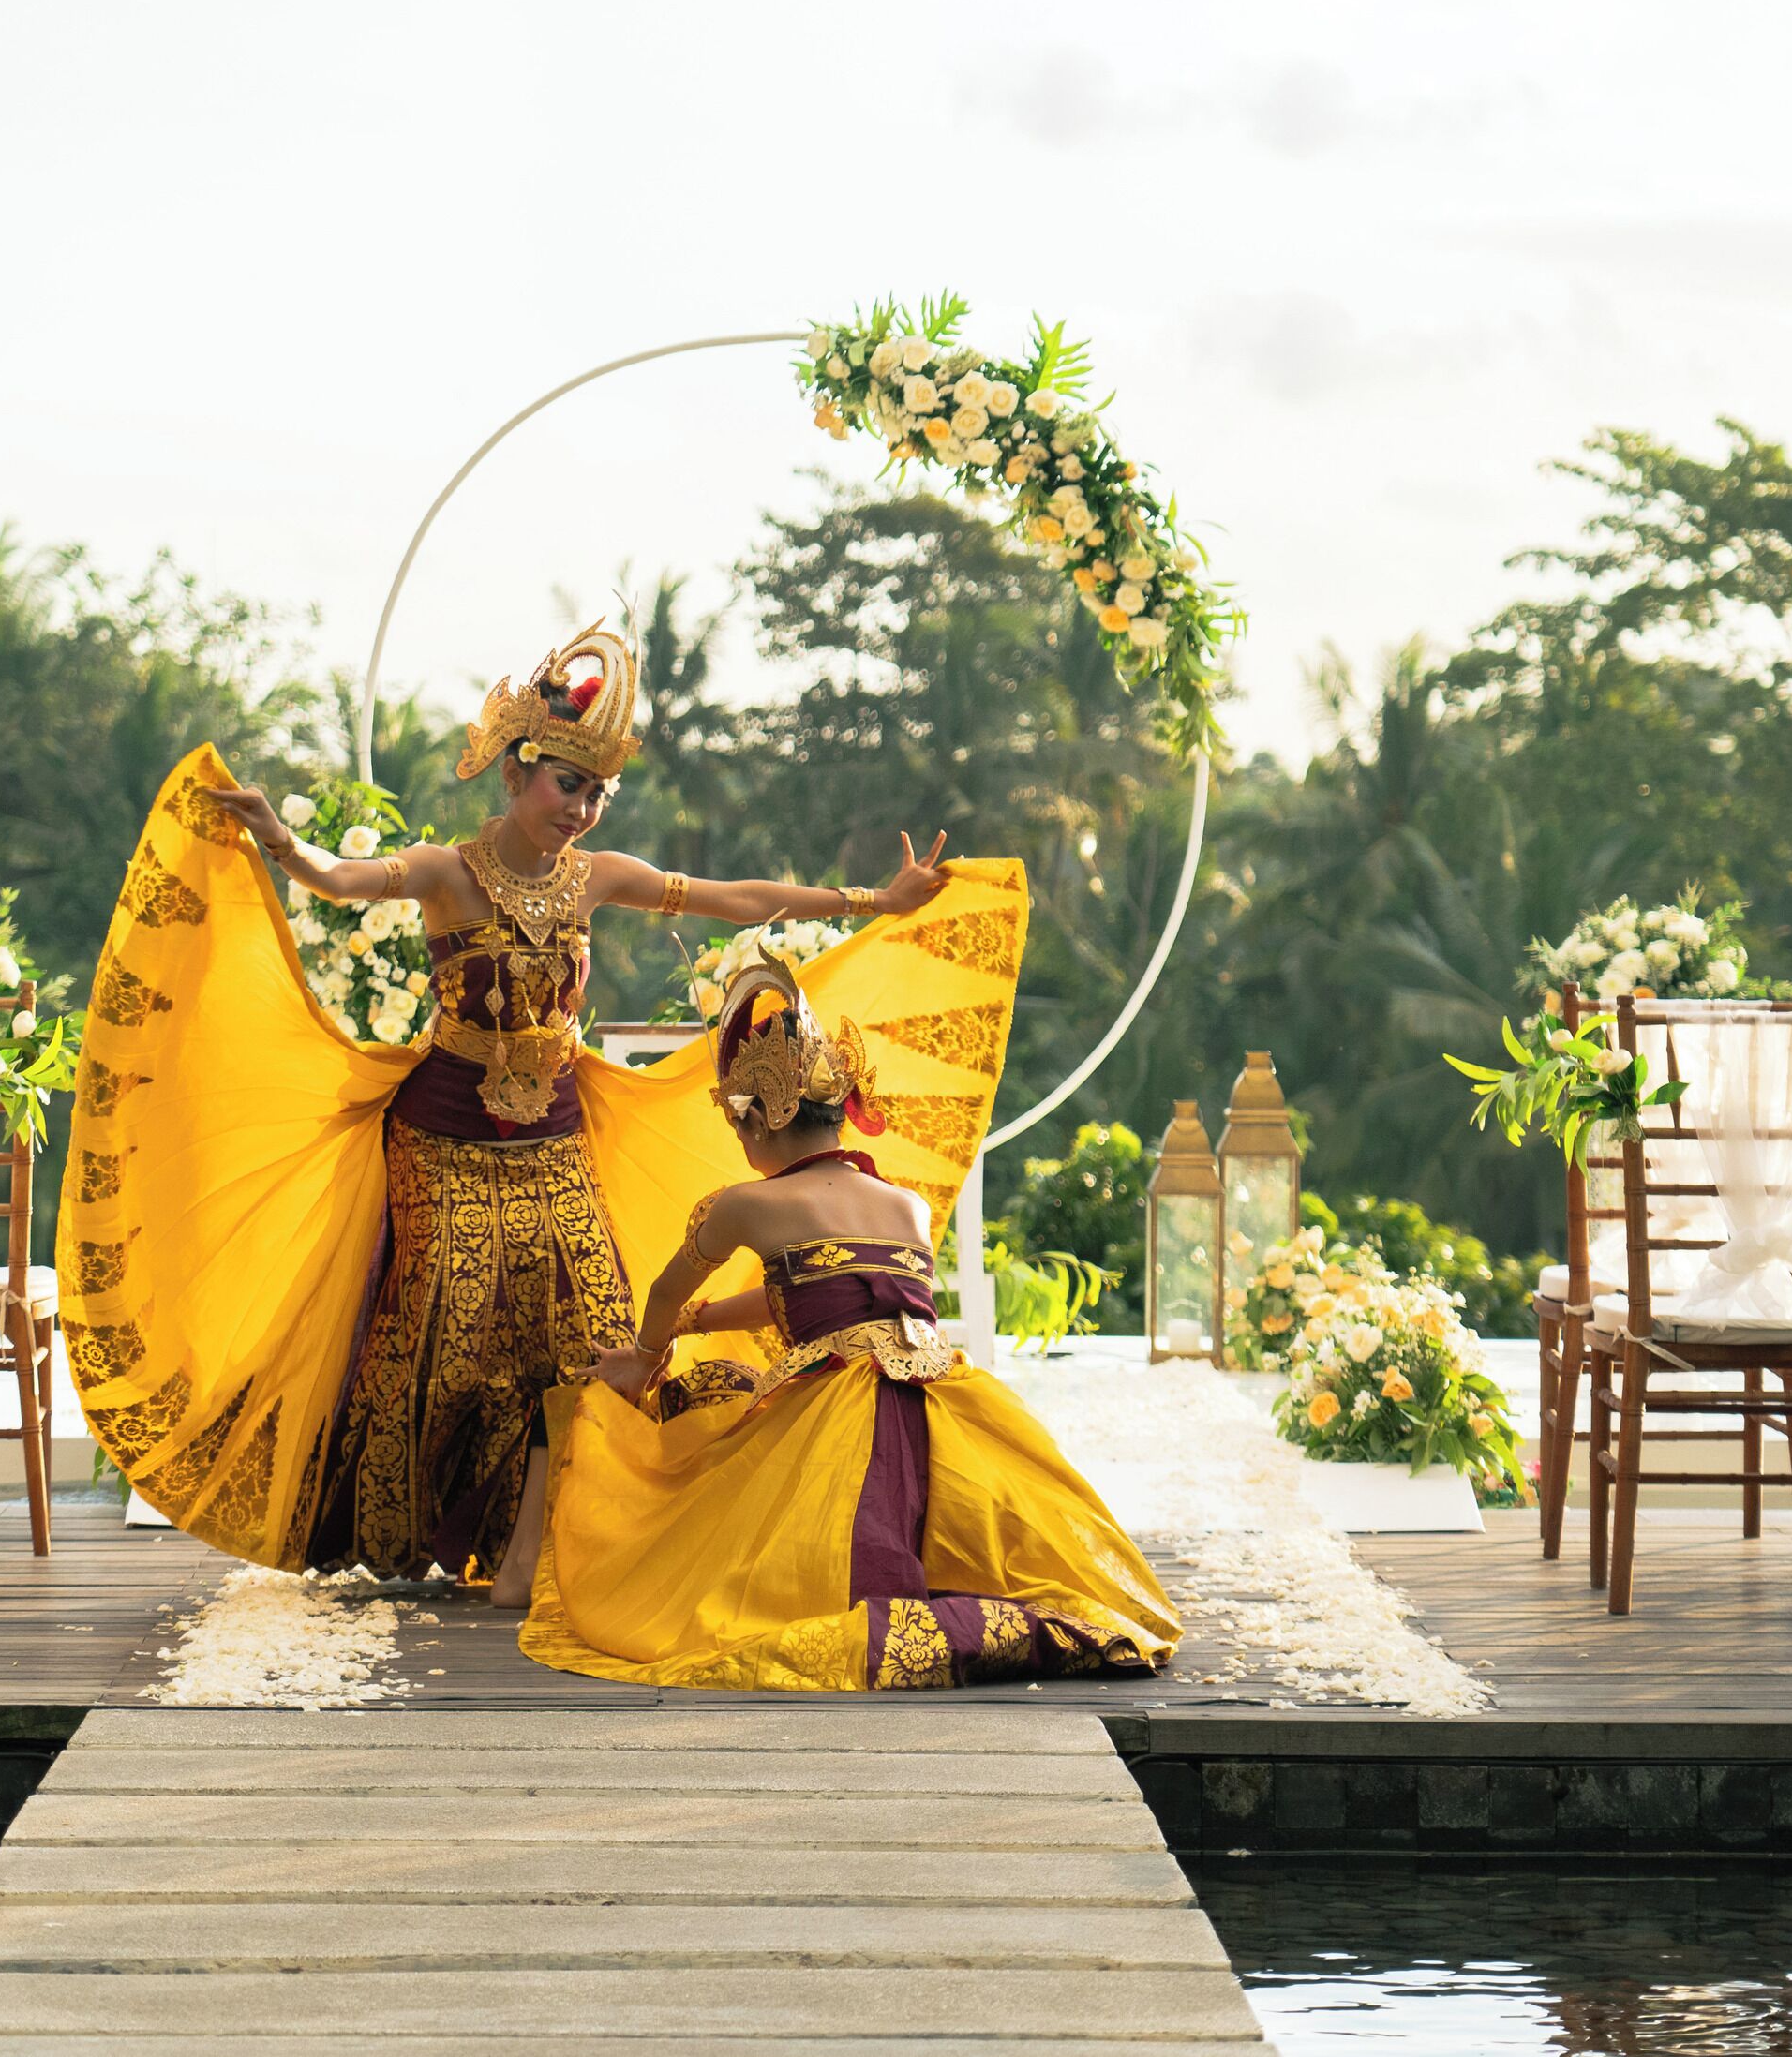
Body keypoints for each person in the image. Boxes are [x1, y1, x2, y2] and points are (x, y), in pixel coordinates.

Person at [59, 622, 1015, 1602]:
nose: (583, 811)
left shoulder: (595, 878)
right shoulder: (446, 871)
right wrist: (277, 835)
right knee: (445, 1330)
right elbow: (341, 882)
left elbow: (731, 897)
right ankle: (410, 1524)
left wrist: (870, 900)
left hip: (555, 1135)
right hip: (442, 1133)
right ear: (515, 772)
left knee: (590, 1325)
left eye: (598, 794)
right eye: (568, 785)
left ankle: (554, 1536)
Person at [520, 951, 1181, 1689]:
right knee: (1013, 1565)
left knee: (703, 1433)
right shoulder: (907, 1207)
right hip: (945, 1402)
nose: (740, 1144)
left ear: (762, 1118)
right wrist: (697, 1323)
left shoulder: (748, 1204)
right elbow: (824, 1291)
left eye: (738, 1126)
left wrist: (647, 1354)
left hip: (840, 1412)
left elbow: (664, 1293)